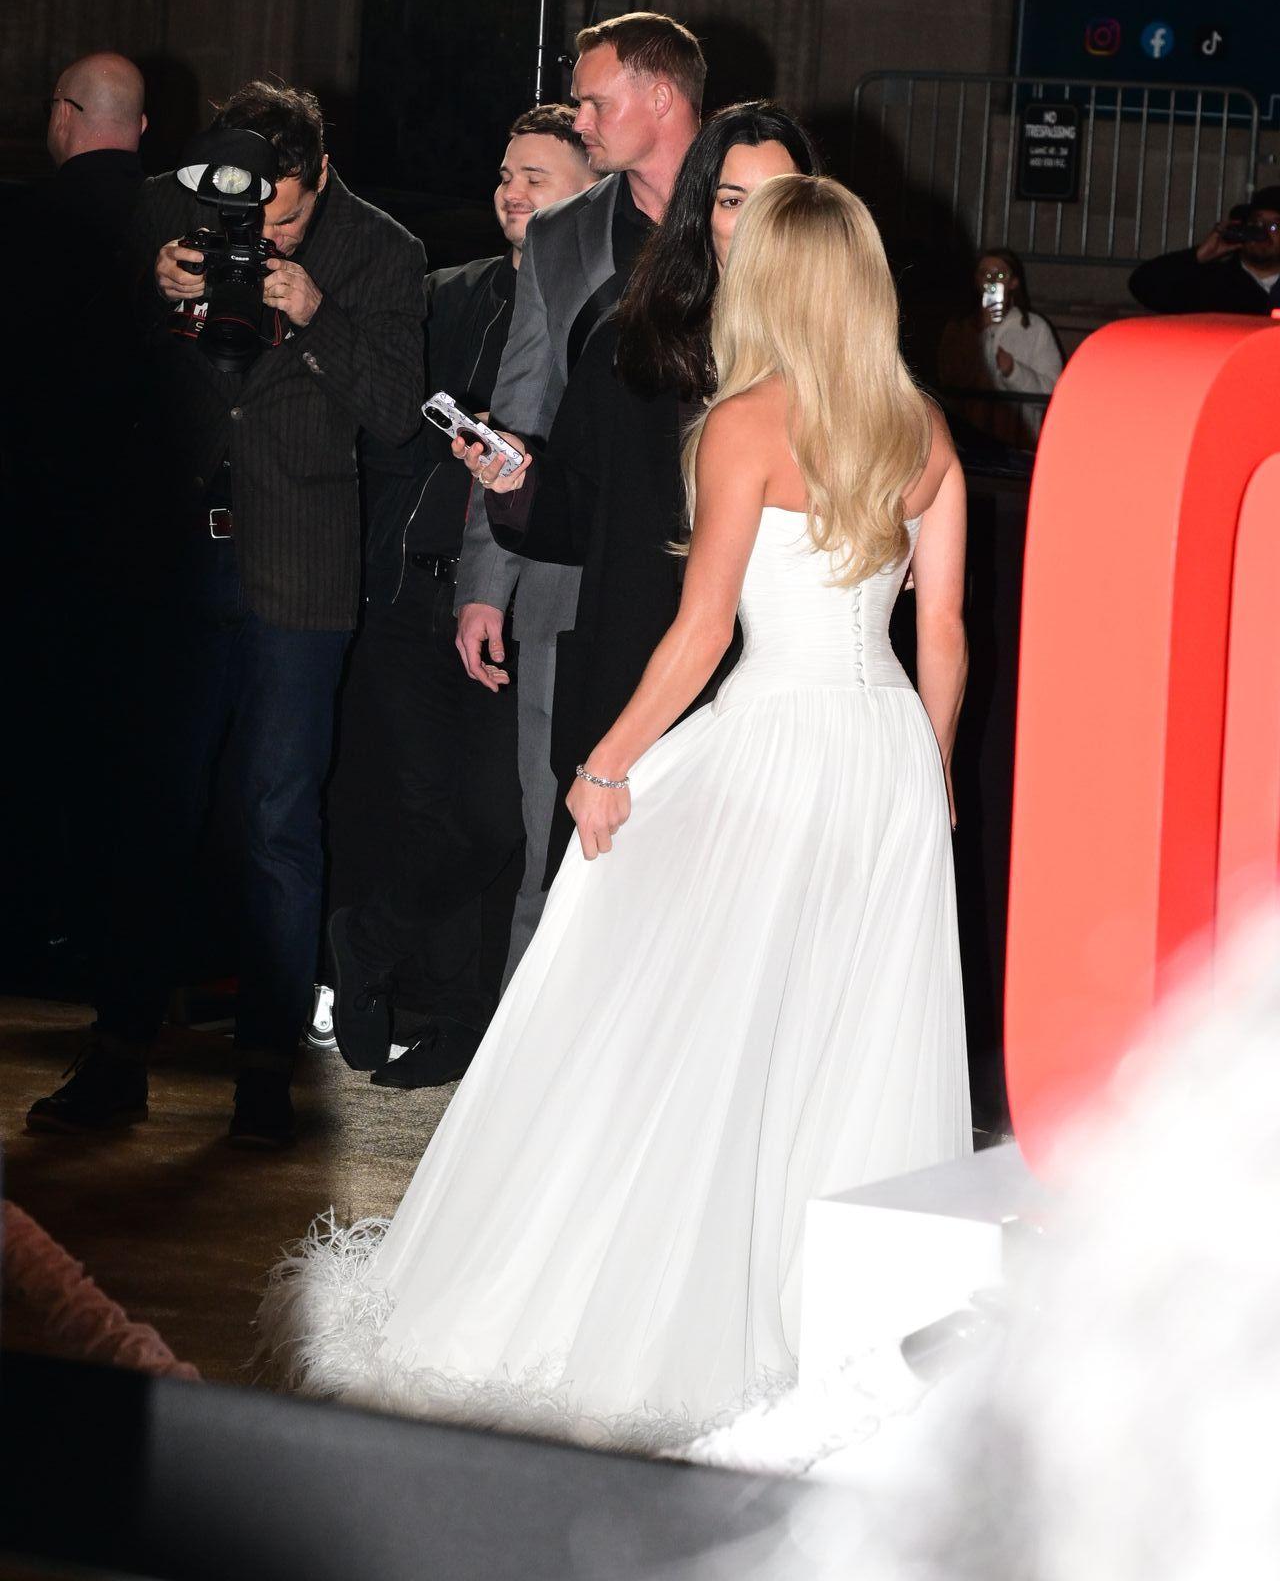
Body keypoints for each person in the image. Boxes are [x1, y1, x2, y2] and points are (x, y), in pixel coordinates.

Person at [261, 175, 972, 1446]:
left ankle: (664, 1300)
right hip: (886, 758)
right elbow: (947, 637)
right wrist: (933, 770)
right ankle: (834, 1346)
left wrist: (603, 764)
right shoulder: (919, 429)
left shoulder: (747, 422)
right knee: (845, 1035)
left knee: (690, 1015)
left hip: (775, 741)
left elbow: (699, 637)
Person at [26, 80, 426, 1150]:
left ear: (322, 176)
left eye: (285, 218)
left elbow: (397, 416)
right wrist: (147, 292)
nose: (264, 232)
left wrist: (318, 314)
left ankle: (265, 1073)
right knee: (147, 814)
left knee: (276, 823)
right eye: (252, 213)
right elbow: (71, 372)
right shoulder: (160, 209)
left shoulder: (381, 250)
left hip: (300, 568)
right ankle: (118, 1054)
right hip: (168, 561)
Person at [322, 105, 598, 1089]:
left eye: (536, 178)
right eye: (505, 175)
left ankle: (368, 945)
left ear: (591, 197)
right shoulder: (445, 295)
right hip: (411, 594)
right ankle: (441, 1021)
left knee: (489, 822)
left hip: (518, 606)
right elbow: (379, 419)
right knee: (428, 811)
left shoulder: (600, 313)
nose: (511, 193)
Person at [478, 100, 820, 878]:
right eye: (732, 200)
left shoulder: (842, 357)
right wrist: (516, 483)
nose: (755, 226)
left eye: (777, 201)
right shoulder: (634, 343)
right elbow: (578, 516)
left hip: (784, 703)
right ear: (702, 213)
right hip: (642, 678)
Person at [453, 11, 704, 984]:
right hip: (573, 574)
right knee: (556, 847)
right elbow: (521, 405)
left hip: (726, 585)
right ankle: (530, 1057)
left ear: (660, 97)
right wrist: (487, 584)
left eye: (596, 103)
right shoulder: (562, 235)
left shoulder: (756, 211)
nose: (581, 121)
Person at [2, 53, 149, 988]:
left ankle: (24, 936)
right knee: (132, 750)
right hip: (153, 539)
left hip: (30, 530)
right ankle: (110, 943)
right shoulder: (178, 219)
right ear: (141, 129)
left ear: (63, 116)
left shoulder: (21, 222)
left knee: (27, 740)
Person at [936, 247, 1063, 449]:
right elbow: (949, 380)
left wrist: (1014, 371)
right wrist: (981, 331)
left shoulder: (1034, 327)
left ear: (1014, 282)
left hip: (1018, 442)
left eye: (1001, 275)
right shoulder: (960, 327)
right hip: (970, 442)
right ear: (976, 281)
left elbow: (1052, 391)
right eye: (985, 274)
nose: (993, 280)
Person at [1128, 185, 1280, 313]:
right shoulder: (1212, 283)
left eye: (1274, 226)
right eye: (1256, 223)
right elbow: (1143, 285)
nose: (1263, 232)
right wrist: (1198, 255)